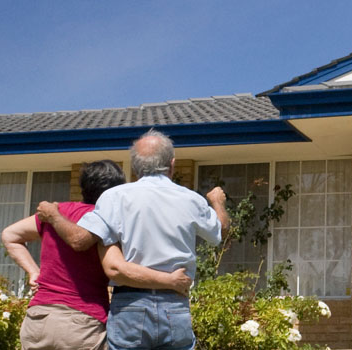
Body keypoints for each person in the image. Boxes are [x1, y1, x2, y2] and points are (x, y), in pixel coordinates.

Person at [38, 130, 228, 350]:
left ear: (136, 169)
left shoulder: (114, 197)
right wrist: (217, 201)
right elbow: (219, 232)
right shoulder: (191, 199)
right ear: (172, 165)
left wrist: (53, 215)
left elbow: (79, 240)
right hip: (174, 303)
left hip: (130, 304)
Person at [2, 160, 191, 350]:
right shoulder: (108, 220)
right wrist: (170, 281)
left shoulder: (56, 213)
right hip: (82, 323)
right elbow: (119, 269)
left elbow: (10, 235)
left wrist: (33, 272)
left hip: (38, 319)